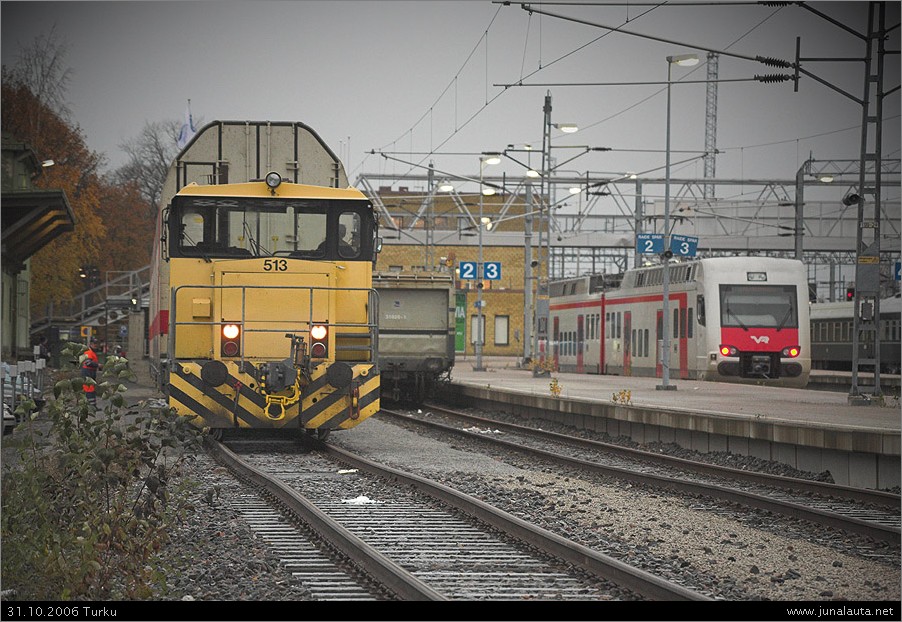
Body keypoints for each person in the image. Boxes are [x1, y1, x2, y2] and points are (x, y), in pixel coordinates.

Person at [81, 338, 102, 407]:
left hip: (90, 372)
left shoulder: (91, 352)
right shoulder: (88, 352)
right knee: (89, 389)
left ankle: (92, 406)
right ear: (90, 344)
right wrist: (97, 365)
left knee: (91, 389)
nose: (95, 345)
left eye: (96, 344)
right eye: (94, 344)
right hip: (87, 372)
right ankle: (91, 406)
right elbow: (88, 363)